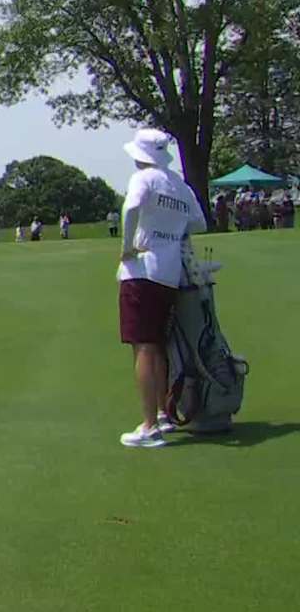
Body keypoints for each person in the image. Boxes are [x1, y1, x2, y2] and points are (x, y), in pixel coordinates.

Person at [115, 128, 206, 449]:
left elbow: (131, 208)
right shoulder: (179, 185)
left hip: (141, 270)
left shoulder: (143, 179)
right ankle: (163, 414)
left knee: (143, 346)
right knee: (157, 344)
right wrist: (172, 230)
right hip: (170, 272)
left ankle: (150, 426)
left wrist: (127, 247)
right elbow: (199, 222)